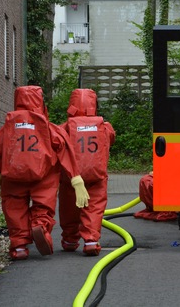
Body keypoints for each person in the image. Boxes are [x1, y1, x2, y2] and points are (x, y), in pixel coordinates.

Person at [0, 85, 90, 260]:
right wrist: (75, 178)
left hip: (13, 176)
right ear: (41, 102)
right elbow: (64, 150)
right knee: (43, 206)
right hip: (44, 176)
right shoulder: (49, 128)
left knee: (14, 208)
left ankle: (19, 246)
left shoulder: (9, 126)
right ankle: (40, 226)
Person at [58, 88, 116, 256]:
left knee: (69, 207)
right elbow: (111, 138)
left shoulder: (65, 128)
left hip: (71, 177)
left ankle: (70, 240)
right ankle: (91, 240)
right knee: (94, 208)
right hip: (96, 175)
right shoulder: (104, 127)